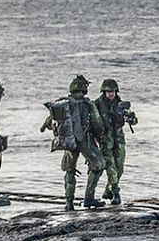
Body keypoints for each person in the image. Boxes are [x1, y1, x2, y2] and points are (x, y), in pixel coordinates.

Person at [41, 75, 106, 211]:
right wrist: (100, 138)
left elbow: (49, 122)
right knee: (99, 165)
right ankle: (89, 197)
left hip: (69, 141)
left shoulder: (63, 103)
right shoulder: (88, 104)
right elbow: (97, 123)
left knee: (69, 170)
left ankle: (69, 202)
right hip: (85, 140)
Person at [94, 78, 137, 205]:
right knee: (111, 167)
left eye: (113, 91)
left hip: (118, 138)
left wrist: (130, 119)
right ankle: (116, 193)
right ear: (104, 92)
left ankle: (108, 190)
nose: (111, 94)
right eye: (108, 91)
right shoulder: (97, 105)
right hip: (105, 139)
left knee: (120, 167)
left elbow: (134, 120)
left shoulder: (121, 104)